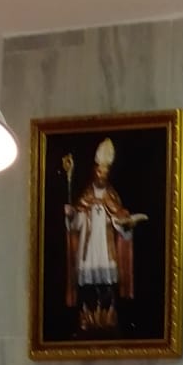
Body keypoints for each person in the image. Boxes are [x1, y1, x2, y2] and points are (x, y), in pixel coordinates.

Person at [63, 137, 146, 334]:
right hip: (89, 248)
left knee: (107, 285)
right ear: (95, 172)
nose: (102, 176)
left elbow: (118, 220)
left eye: (105, 173)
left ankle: (107, 317)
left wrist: (126, 224)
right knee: (88, 286)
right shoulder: (86, 196)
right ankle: (87, 317)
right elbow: (77, 223)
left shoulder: (112, 196)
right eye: (99, 172)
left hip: (106, 248)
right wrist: (71, 215)